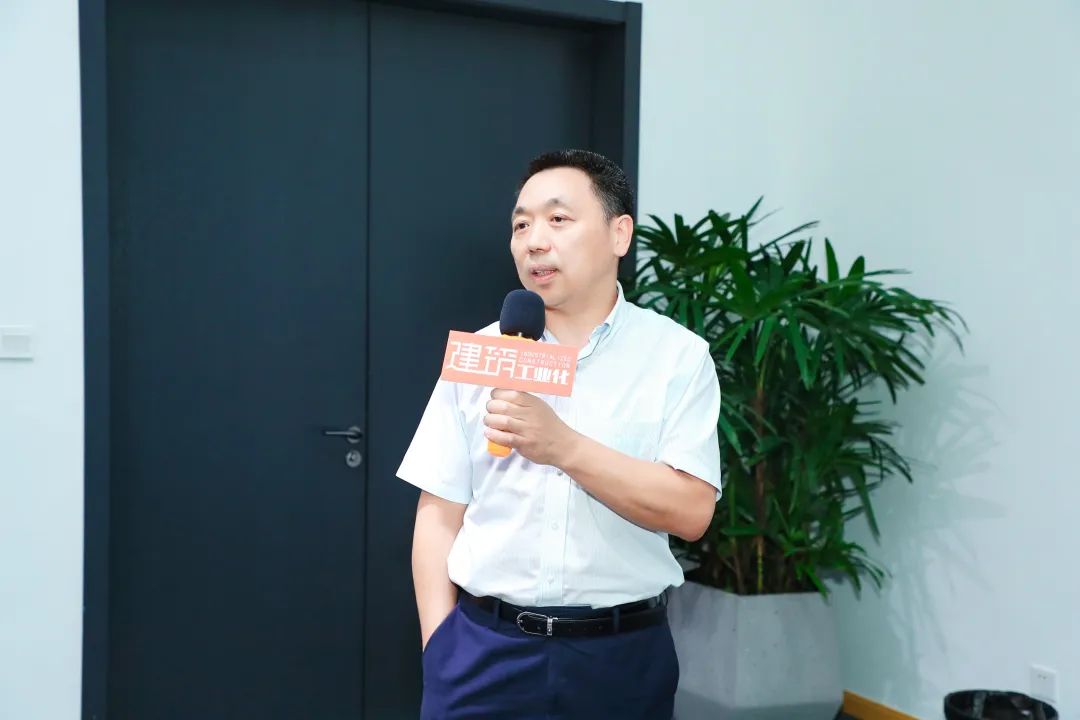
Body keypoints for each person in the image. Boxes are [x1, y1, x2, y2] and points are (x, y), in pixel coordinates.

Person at [397, 149, 722, 720]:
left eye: (557, 219)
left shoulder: (677, 357)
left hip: (619, 657)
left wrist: (563, 447)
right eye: (521, 225)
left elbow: (691, 512)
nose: (534, 242)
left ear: (619, 234)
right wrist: (438, 647)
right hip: (481, 652)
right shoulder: (483, 353)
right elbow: (438, 512)